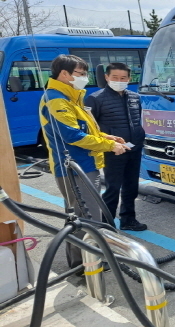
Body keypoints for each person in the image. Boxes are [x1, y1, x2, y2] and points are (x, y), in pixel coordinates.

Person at [40, 55, 130, 268]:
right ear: (64, 74)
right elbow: (72, 136)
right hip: (74, 166)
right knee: (86, 217)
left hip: (84, 165)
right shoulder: (57, 100)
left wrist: (106, 137)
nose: (84, 78)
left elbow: (85, 129)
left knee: (81, 214)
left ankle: (83, 261)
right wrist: (110, 146)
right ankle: (86, 265)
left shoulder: (71, 97)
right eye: (80, 74)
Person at [86, 63, 148, 231]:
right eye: (115, 77)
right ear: (106, 77)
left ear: (129, 79)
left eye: (123, 78)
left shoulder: (135, 97)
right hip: (113, 150)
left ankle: (128, 219)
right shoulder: (95, 98)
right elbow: (91, 128)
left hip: (134, 148)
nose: (119, 81)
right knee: (113, 187)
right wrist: (108, 143)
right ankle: (107, 223)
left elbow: (137, 120)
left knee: (131, 186)